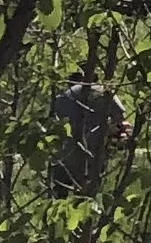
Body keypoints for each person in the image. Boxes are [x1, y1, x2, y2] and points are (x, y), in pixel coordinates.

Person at [48, 68, 126, 198]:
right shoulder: (103, 92)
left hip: (65, 154)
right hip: (93, 152)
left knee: (60, 195)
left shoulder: (62, 97)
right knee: (88, 196)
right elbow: (120, 117)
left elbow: (53, 125)